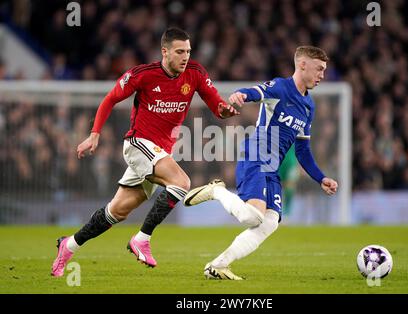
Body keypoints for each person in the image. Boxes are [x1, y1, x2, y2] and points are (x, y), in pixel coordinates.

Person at [51, 27, 239, 277]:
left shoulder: (194, 73)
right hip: (139, 144)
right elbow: (110, 99)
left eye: (188, 51)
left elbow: (217, 105)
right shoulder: (142, 74)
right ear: (165, 52)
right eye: (180, 51)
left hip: (160, 152)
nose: (185, 56)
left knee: (117, 211)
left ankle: (69, 245)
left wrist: (225, 111)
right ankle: (142, 239)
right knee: (181, 182)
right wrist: (94, 133)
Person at [184, 46, 338, 280]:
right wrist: (242, 95)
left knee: (270, 222)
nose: (322, 75)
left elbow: (302, 149)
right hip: (257, 154)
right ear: (303, 65)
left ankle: (218, 265)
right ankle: (216, 191)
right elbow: (257, 91)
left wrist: (321, 178)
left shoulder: (309, 106)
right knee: (251, 217)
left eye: (324, 71)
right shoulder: (281, 87)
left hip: (272, 166)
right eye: (319, 69)